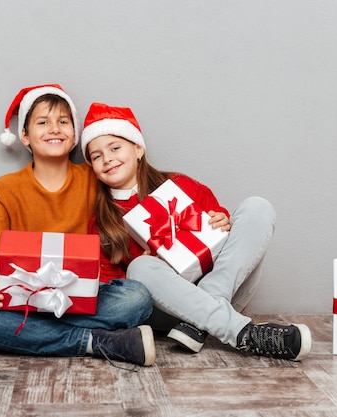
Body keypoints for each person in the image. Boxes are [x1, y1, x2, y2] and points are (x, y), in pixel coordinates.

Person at [0, 85, 155, 367]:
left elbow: (142, 194)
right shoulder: (4, 189)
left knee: (137, 298)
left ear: (74, 135)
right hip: (22, 297)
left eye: (63, 122)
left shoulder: (96, 177)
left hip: (82, 298)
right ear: (25, 136)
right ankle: (95, 342)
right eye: (43, 122)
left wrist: (210, 214)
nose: (54, 129)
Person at [81, 102, 311, 361]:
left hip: (225, 289)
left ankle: (201, 320)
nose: (108, 158)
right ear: (91, 166)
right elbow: (111, 290)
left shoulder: (179, 185)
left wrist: (222, 221)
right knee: (140, 268)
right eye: (97, 155)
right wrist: (145, 266)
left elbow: (228, 243)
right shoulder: (100, 220)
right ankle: (242, 333)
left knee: (257, 207)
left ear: (138, 149)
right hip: (169, 311)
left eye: (115, 147)